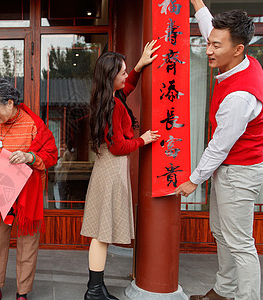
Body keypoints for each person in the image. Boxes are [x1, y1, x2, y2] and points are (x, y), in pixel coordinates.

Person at [175, 1, 263, 300]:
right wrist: (197, 3)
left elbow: (219, 146)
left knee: (239, 242)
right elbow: (207, 25)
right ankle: (224, 292)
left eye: (215, 45)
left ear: (237, 49)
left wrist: (194, 180)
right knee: (222, 235)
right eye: (208, 43)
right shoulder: (239, 58)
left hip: (240, 172)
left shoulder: (240, 96)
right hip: (230, 169)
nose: (208, 50)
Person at [80, 41, 161, 300]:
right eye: (123, 72)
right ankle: (94, 291)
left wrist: (139, 64)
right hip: (112, 169)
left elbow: (128, 87)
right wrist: (143, 140)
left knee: (101, 234)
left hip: (108, 169)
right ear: (111, 76)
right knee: (102, 234)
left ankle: (96, 287)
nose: (126, 76)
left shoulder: (109, 98)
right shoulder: (112, 106)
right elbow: (118, 147)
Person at [0, 79, 58, 300]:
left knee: (28, 241)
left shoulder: (33, 124)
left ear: (10, 103)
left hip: (27, 192)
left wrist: (30, 157)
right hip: (1, 190)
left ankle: (22, 292)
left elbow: (51, 155)